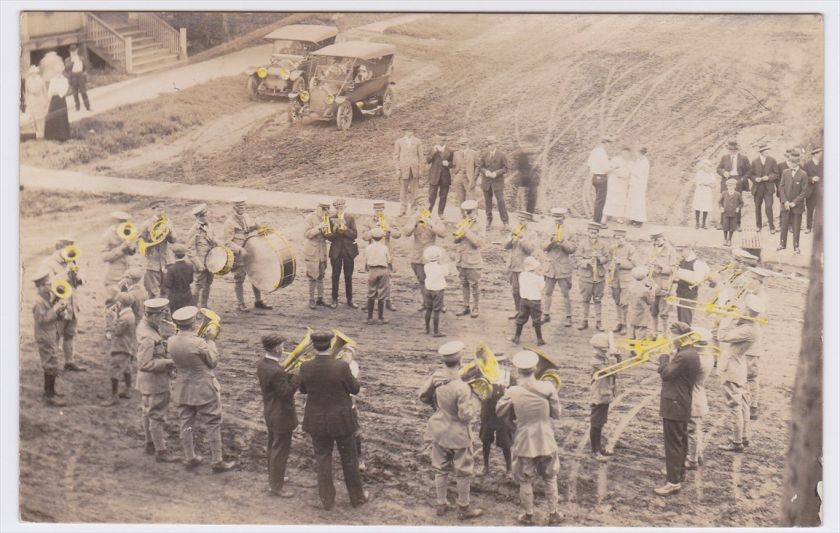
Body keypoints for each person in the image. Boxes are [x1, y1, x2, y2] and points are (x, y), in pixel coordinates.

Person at [299, 330, 369, 510]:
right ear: (331, 345)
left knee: (323, 459)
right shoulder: (342, 366)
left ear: (314, 346)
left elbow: (303, 390)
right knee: (350, 459)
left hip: (317, 420)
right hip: (342, 420)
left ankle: (327, 500)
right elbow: (355, 389)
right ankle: (357, 498)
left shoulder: (305, 367)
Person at [496, 350, 563, 526]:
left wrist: (512, 424)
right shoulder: (548, 387)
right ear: (535, 368)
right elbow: (557, 414)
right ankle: (554, 513)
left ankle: (528, 515)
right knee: (550, 477)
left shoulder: (512, 391)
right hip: (546, 438)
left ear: (518, 370)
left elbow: (500, 412)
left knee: (525, 479)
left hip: (524, 439)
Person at [419, 341, 483, 520]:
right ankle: (464, 508)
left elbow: (422, 396)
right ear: (460, 360)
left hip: (439, 430)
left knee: (440, 469)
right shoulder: (462, 386)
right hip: (459, 434)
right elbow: (465, 416)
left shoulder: (437, 377)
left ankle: (441, 504)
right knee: (463, 471)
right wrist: (477, 401)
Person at [169, 306, 236, 472]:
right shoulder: (199, 342)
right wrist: (211, 341)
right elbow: (213, 362)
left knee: (185, 423)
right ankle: (217, 461)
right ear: (193, 323)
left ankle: (190, 457)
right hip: (204, 387)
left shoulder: (171, 341)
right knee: (213, 422)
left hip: (183, 387)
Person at [654, 322, 700, 496]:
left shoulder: (684, 356)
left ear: (681, 336)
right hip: (682, 403)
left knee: (673, 444)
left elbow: (665, 374)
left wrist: (664, 357)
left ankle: (673, 482)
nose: (671, 339)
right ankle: (678, 474)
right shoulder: (691, 353)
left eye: (673, 335)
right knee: (681, 441)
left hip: (674, 404)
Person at [716, 295, 764, 453]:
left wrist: (727, 317)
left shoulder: (748, 329)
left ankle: (737, 442)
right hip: (738, 367)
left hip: (732, 368)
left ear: (749, 311)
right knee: (742, 404)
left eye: (744, 307)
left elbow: (721, 336)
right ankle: (743, 436)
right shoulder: (751, 325)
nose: (741, 308)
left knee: (735, 406)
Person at [136, 297, 180, 463]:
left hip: (147, 382)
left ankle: (150, 444)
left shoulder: (146, 326)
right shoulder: (149, 337)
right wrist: (170, 362)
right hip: (155, 381)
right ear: (152, 315)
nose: (164, 317)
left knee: (147, 412)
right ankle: (161, 451)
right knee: (156, 415)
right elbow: (145, 363)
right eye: (162, 314)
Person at [257, 334, 301, 498]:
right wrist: (296, 376)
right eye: (282, 346)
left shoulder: (263, 364)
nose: (284, 349)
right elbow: (286, 393)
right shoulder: (275, 370)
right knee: (280, 451)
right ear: (276, 348)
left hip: (270, 412)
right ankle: (276, 487)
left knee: (273, 447)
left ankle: (275, 477)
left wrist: (286, 376)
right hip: (281, 415)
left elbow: (276, 384)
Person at [223, 197, 272, 311]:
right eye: (239, 207)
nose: (242, 209)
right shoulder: (229, 223)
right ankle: (240, 303)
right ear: (234, 207)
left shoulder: (246, 216)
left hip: (250, 251)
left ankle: (258, 301)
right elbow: (227, 242)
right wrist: (239, 249)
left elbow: (248, 229)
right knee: (239, 279)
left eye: (243, 207)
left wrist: (257, 227)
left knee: (255, 275)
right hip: (239, 255)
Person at [44, 238, 85, 372]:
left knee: (70, 334)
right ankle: (52, 365)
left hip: (72, 304)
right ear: (59, 249)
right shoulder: (50, 262)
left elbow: (81, 281)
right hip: (58, 305)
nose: (70, 253)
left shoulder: (72, 260)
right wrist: (66, 272)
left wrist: (79, 277)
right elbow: (49, 283)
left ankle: (69, 362)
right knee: (55, 335)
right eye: (67, 250)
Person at [404, 197, 447, 312]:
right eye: (419, 204)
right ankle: (426, 303)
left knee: (435, 279)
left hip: (432, 256)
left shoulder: (434, 218)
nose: (422, 206)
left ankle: (439, 304)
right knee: (422, 280)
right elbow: (406, 232)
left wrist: (430, 223)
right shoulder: (413, 218)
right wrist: (415, 222)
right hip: (418, 255)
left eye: (424, 203)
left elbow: (443, 233)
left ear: (429, 204)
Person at [31, 268, 67, 407]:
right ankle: (49, 395)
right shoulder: (39, 302)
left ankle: (51, 392)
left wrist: (60, 311)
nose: (51, 286)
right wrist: (55, 308)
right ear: (40, 286)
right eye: (47, 284)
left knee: (53, 362)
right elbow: (43, 320)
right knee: (50, 363)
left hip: (50, 334)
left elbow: (52, 317)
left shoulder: (47, 298)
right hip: (44, 336)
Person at [360, 201, 402, 311]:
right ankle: (369, 300)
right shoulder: (368, 220)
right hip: (373, 254)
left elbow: (398, 234)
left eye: (381, 210)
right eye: (377, 210)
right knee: (371, 279)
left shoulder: (390, 219)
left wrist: (388, 228)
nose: (378, 212)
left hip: (386, 252)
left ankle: (387, 301)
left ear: (383, 209)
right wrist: (374, 229)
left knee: (387, 279)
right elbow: (364, 236)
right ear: (373, 210)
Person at [685, 327, 715, 471]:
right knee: (697, 429)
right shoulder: (708, 356)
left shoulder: (696, 360)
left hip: (693, 398)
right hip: (700, 396)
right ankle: (698, 455)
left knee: (692, 431)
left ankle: (692, 460)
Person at [478, 356, 513, 477]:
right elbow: (479, 393)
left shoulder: (508, 376)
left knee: (506, 442)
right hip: (488, 413)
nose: (497, 365)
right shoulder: (484, 376)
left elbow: (515, 393)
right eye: (494, 363)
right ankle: (485, 466)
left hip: (502, 415)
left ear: (503, 363)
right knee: (485, 440)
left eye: (499, 363)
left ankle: (509, 469)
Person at [542, 207, 577, 327]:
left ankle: (568, 317)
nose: (557, 220)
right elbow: (542, 247)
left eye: (559, 218)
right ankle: (545, 314)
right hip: (550, 267)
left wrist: (563, 241)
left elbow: (572, 249)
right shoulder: (547, 229)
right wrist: (550, 241)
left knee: (566, 293)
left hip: (563, 266)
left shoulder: (570, 231)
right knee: (547, 292)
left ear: (564, 218)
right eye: (555, 218)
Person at [589, 332, 620, 462]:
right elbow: (613, 370)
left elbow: (617, 370)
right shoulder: (596, 361)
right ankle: (595, 451)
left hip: (604, 395)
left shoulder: (603, 359)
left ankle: (598, 448)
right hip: (599, 397)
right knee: (596, 424)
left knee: (600, 424)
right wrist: (613, 357)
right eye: (605, 350)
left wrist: (618, 356)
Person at [103, 292, 137, 406]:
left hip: (120, 347)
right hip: (127, 346)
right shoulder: (129, 314)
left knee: (115, 370)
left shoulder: (124, 318)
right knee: (127, 368)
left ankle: (114, 396)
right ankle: (128, 390)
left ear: (119, 303)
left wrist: (111, 318)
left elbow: (117, 331)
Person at [575, 221, 611, 331]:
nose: (593, 235)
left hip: (599, 276)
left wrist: (600, 258)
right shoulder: (582, 244)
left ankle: (598, 322)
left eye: (595, 233)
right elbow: (577, 258)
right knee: (585, 299)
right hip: (586, 276)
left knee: (598, 300)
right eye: (591, 232)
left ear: (598, 233)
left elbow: (607, 258)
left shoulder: (603, 244)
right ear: (588, 233)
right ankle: (584, 321)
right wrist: (587, 262)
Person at [139, 199, 177, 299]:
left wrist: (170, 231)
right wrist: (152, 238)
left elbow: (173, 240)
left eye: (163, 210)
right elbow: (140, 241)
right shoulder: (146, 224)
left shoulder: (168, 222)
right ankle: (153, 313)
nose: (161, 212)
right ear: (153, 210)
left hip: (167, 261)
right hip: (153, 262)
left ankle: (165, 312)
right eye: (159, 210)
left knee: (166, 290)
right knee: (153, 292)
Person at [504, 211, 539, 320]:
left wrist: (522, 240)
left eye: (523, 220)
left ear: (528, 221)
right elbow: (505, 246)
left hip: (525, 267)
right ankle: (518, 311)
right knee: (515, 290)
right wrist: (511, 240)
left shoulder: (532, 233)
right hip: (514, 265)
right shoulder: (514, 230)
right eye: (519, 219)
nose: (520, 221)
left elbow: (531, 250)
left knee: (525, 291)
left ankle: (526, 312)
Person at [326, 197, 359, 309]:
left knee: (348, 275)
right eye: (337, 207)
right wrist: (335, 230)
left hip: (349, 251)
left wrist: (345, 229)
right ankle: (334, 299)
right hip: (336, 251)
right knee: (335, 275)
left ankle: (349, 299)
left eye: (342, 207)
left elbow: (355, 235)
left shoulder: (350, 218)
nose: (340, 209)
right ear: (335, 208)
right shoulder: (330, 218)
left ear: (345, 207)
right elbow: (328, 237)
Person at [644, 228, 679, 337]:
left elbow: (673, 269)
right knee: (653, 311)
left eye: (658, 239)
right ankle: (654, 332)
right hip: (652, 284)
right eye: (654, 240)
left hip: (664, 285)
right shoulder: (649, 250)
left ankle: (664, 334)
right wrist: (649, 269)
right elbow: (645, 265)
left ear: (663, 238)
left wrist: (661, 268)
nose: (656, 242)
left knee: (664, 313)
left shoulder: (670, 250)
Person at [453, 200, 484, 318]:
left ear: (475, 211)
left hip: (473, 260)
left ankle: (475, 307)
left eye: (469, 212)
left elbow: (478, 243)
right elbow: (455, 240)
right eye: (465, 212)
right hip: (461, 259)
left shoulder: (480, 224)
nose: (467, 214)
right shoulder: (463, 222)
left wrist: (466, 231)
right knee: (464, 283)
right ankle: (466, 306)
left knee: (474, 284)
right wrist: (459, 233)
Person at [186, 203, 217, 309]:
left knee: (208, 284)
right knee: (198, 285)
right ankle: (193, 308)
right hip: (201, 263)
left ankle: (204, 306)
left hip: (211, 262)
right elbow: (190, 250)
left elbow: (213, 241)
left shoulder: (210, 226)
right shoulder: (194, 230)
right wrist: (198, 264)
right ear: (200, 216)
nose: (208, 216)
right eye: (206, 215)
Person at [777, 151, 809, 254]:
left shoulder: (803, 174)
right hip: (785, 205)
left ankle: (796, 246)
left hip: (797, 206)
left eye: (792, 162)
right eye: (789, 161)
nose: (790, 164)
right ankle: (782, 244)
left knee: (796, 227)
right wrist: (785, 201)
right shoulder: (785, 172)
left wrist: (794, 203)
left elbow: (804, 192)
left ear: (797, 163)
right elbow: (781, 187)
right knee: (784, 225)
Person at [510, 256, 546, 346]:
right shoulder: (537, 277)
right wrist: (541, 277)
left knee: (521, 318)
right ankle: (539, 339)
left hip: (524, 300)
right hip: (535, 301)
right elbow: (542, 287)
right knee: (536, 320)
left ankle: (516, 337)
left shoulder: (522, 275)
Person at [101, 210, 135, 303]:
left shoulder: (126, 232)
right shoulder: (108, 236)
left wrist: (131, 248)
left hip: (126, 273)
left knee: (125, 302)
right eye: (121, 222)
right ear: (114, 222)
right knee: (113, 302)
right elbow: (104, 257)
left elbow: (129, 253)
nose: (124, 224)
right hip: (113, 276)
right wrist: (122, 247)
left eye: (125, 222)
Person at [303, 200, 332, 309]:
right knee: (312, 276)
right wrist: (319, 227)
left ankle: (320, 298)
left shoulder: (327, 218)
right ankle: (311, 299)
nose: (326, 211)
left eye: (327, 208)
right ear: (318, 207)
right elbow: (307, 234)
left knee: (321, 275)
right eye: (323, 208)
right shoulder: (310, 218)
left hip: (322, 250)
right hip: (312, 250)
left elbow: (328, 236)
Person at [716, 140, 750, 230]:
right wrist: (724, 172)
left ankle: (737, 224)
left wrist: (742, 179)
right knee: (724, 201)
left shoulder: (743, 158)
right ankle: (722, 223)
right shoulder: (724, 157)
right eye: (730, 150)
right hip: (726, 180)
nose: (732, 152)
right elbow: (718, 168)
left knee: (737, 201)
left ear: (737, 150)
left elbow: (749, 171)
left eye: (734, 150)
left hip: (738, 180)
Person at [607, 227, 636, 334]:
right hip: (614, 279)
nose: (619, 240)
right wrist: (610, 266)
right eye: (617, 238)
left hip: (626, 280)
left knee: (625, 303)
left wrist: (620, 262)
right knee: (617, 302)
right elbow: (608, 261)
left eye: (621, 238)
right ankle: (619, 322)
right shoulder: (612, 248)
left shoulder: (630, 248)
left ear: (625, 238)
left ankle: (625, 325)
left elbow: (633, 264)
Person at [673, 245, 710, 325]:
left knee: (685, 320)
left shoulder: (697, 263)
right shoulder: (682, 261)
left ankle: (686, 336)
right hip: (680, 293)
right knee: (680, 320)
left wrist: (680, 276)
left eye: (682, 250)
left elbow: (698, 281)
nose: (680, 252)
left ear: (689, 249)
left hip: (689, 295)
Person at [479, 135, 510, 229]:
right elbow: (480, 167)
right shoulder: (484, 155)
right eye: (488, 145)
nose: (490, 146)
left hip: (497, 182)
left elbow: (506, 168)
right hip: (486, 182)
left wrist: (496, 173)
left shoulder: (501, 155)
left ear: (495, 144)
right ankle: (489, 219)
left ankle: (505, 221)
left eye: (491, 144)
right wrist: (486, 172)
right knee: (487, 202)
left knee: (500, 201)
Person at [748, 144, 779, 234]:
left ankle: (771, 227)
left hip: (768, 188)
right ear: (761, 152)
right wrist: (755, 179)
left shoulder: (772, 160)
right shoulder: (754, 161)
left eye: (768, 151)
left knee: (769, 207)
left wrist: (768, 177)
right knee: (757, 207)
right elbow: (750, 174)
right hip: (757, 188)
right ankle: (758, 226)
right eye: (766, 151)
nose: (768, 153)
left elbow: (776, 174)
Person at [364, 227, 391, 325]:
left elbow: (366, 260)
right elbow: (389, 260)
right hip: (383, 269)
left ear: (371, 236)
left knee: (371, 292)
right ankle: (380, 318)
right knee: (382, 293)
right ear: (382, 237)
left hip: (372, 270)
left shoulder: (368, 247)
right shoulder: (384, 247)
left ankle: (370, 318)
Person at [394, 129, 424, 216]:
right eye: (407, 130)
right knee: (403, 190)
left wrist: (420, 169)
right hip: (403, 169)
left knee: (415, 191)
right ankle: (403, 209)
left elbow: (421, 157)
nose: (409, 132)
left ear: (413, 131)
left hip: (414, 169)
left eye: (411, 130)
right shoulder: (399, 141)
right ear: (404, 131)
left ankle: (414, 209)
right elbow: (396, 157)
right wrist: (398, 169)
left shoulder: (418, 141)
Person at [588, 135, 614, 224]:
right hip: (601, 178)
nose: (609, 146)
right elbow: (607, 169)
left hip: (594, 177)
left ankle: (595, 219)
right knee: (600, 201)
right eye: (609, 144)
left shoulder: (594, 151)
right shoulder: (602, 153)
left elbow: (589, 164)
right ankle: (596, 221)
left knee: (598, 199)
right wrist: (614, 168)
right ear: (605, 143)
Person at [603, 145, 633, 223]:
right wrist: (618, 173)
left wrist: (625, 176)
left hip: (623, 183)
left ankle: (618, 217)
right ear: (621, 153)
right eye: (623, 153)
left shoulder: (631, 163)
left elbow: (630, 173)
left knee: (621, 200)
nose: (625, 155)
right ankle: (605, 216)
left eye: (627, 153)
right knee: (610, 198)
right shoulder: (616, 159)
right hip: (614, 182)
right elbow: (610, 169)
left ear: (629, 154)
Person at [423, 246, 449, 337]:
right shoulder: (441, 268)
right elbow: (446, 273)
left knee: (428, 309)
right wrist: (443, 263)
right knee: (436, 311)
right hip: (438, 290)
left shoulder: (426, 266)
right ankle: (436, 331)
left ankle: (426, 328)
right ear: (438, 257)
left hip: (428, 290)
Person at [427, 134, 454, 217]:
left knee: (443, 196)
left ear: (445, 141)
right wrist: (434, 152)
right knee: (431, 195)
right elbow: (428, 160)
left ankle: (440, 213)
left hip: (445, 177)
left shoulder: (450, 151)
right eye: (439, 140)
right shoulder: (433, 149)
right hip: (434, 176)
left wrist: (448, 164)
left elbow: (453, 163)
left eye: (442, 140)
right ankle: (428, 212)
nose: (440, 142)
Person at [43, 60, 70, 142]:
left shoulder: (64, 80)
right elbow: (50, 90)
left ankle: (62, 135)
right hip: (54, 100)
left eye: (59, 72)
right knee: (52, 116)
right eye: (56, 72)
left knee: (61, 116)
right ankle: (51, 135)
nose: (58, 73)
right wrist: (50, 95)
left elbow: (64, 90)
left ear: (62, 71)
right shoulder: (53, 80)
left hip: (61, 99)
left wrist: (57, 91)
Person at [162, 244, 195, 312]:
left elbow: (168, 284)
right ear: (185, 255)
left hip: (175, 298)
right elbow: (191, 281)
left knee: (176, 316)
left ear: (174, 255)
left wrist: (165, 274)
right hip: (187, 296)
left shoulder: (171, 269)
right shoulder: (190, 266)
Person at [512, 139, 541, 214]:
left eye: (530, 146)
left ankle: (530, 214)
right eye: (526, 146)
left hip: (532, 179)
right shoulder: (521, 155)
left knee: (533, 197)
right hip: (523, 179)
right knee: (522, 197)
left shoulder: (534, 155)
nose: (528, 147)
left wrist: (537, 175)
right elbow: (517, 163)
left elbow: (538, 168)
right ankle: (522, 214)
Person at [626, 267, 655, 340]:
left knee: (632, 328)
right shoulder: (645, 290)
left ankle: (631, 343)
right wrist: (652, 290)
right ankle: (638, 345)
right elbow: (651, 301)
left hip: (632, 310)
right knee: (641, 329)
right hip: (642, 312)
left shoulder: (630, 287)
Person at [451, 137, 480, 206]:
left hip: (469, 178)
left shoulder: (474, 153)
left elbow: (478, 167)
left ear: (468, 144)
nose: (463, 146)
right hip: (458, 178)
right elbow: (453, 165)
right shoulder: (456, 153)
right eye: (461, 144)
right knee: (460, 198)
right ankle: (463, 216)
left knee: (471, 198)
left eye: (464, 144)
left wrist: (474, 178)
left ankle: (473, 216)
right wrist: (455, 174)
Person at [626, 146, 650, 226]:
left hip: (639, 185)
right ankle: (633, 218)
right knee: (632, 201)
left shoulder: (645, 162)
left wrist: (630, 168)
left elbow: (638, 173)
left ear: (640, 153)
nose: (636, 154)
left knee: (638, 202)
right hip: (634, 184)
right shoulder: (638, 160)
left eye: (637, 153)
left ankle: (639, 221)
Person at [691, 159, 717, 229]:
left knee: (706, 206)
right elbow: (695, 181)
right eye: (705, 166)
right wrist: (700, 183)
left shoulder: (711, 174)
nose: (706, 167)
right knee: (698, 206)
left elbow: (714, 183)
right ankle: (697, 223)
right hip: (700, 190)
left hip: (707, 190)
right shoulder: (700, 173)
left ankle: (704, 223)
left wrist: (707, 184)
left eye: (708, 166)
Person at [24, 65, 48, 139]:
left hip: (39, 100)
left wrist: (46, 100)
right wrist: (27, 102)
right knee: (33, 118)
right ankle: (36, 134)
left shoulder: (41, 80)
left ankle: (42, 133)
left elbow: (44, 91)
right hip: (32, 101)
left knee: (40, 118)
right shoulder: (28, 81)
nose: (33, 74)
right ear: (30, 73)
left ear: (37, 73)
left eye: (35, 73)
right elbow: (27, 92)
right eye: (32, 73)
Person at [802, 147, 823, 234]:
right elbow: (803, 177)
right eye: (820, 153)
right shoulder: (807, 164)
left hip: (821, 191)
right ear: (815, 154)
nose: (822, 155)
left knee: (820, 210)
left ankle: (818, 229)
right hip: (810, 191)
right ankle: (808, 227)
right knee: (810, 210)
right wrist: (812, 179)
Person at [64, 44, 90, 111]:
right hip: (73, 76)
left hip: (80, 75)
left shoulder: (81, 58)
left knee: (83, 92)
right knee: (75, 93)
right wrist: (72, 61)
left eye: (74, 51)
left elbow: (84, 67)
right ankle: (77, 107)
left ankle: (87, 106)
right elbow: (67, 68)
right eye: (72, 51)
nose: (73, 52)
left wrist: (84, 74)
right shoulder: (67, 60)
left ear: (77, 50)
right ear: (69, 51)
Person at [719, 178, 744, 247]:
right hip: (725, 213)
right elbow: (720, 202)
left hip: (733, 214)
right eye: (729, 186)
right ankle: (725, 239)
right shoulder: (724, 193)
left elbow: (741, 203)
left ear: (735, 186)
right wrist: (721, 207)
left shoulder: (737, 194)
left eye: (732, 186)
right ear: (727, 186)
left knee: (732, 227)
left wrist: (738, 208)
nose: (730, 187)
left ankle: (730, 239)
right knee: (725, 226)